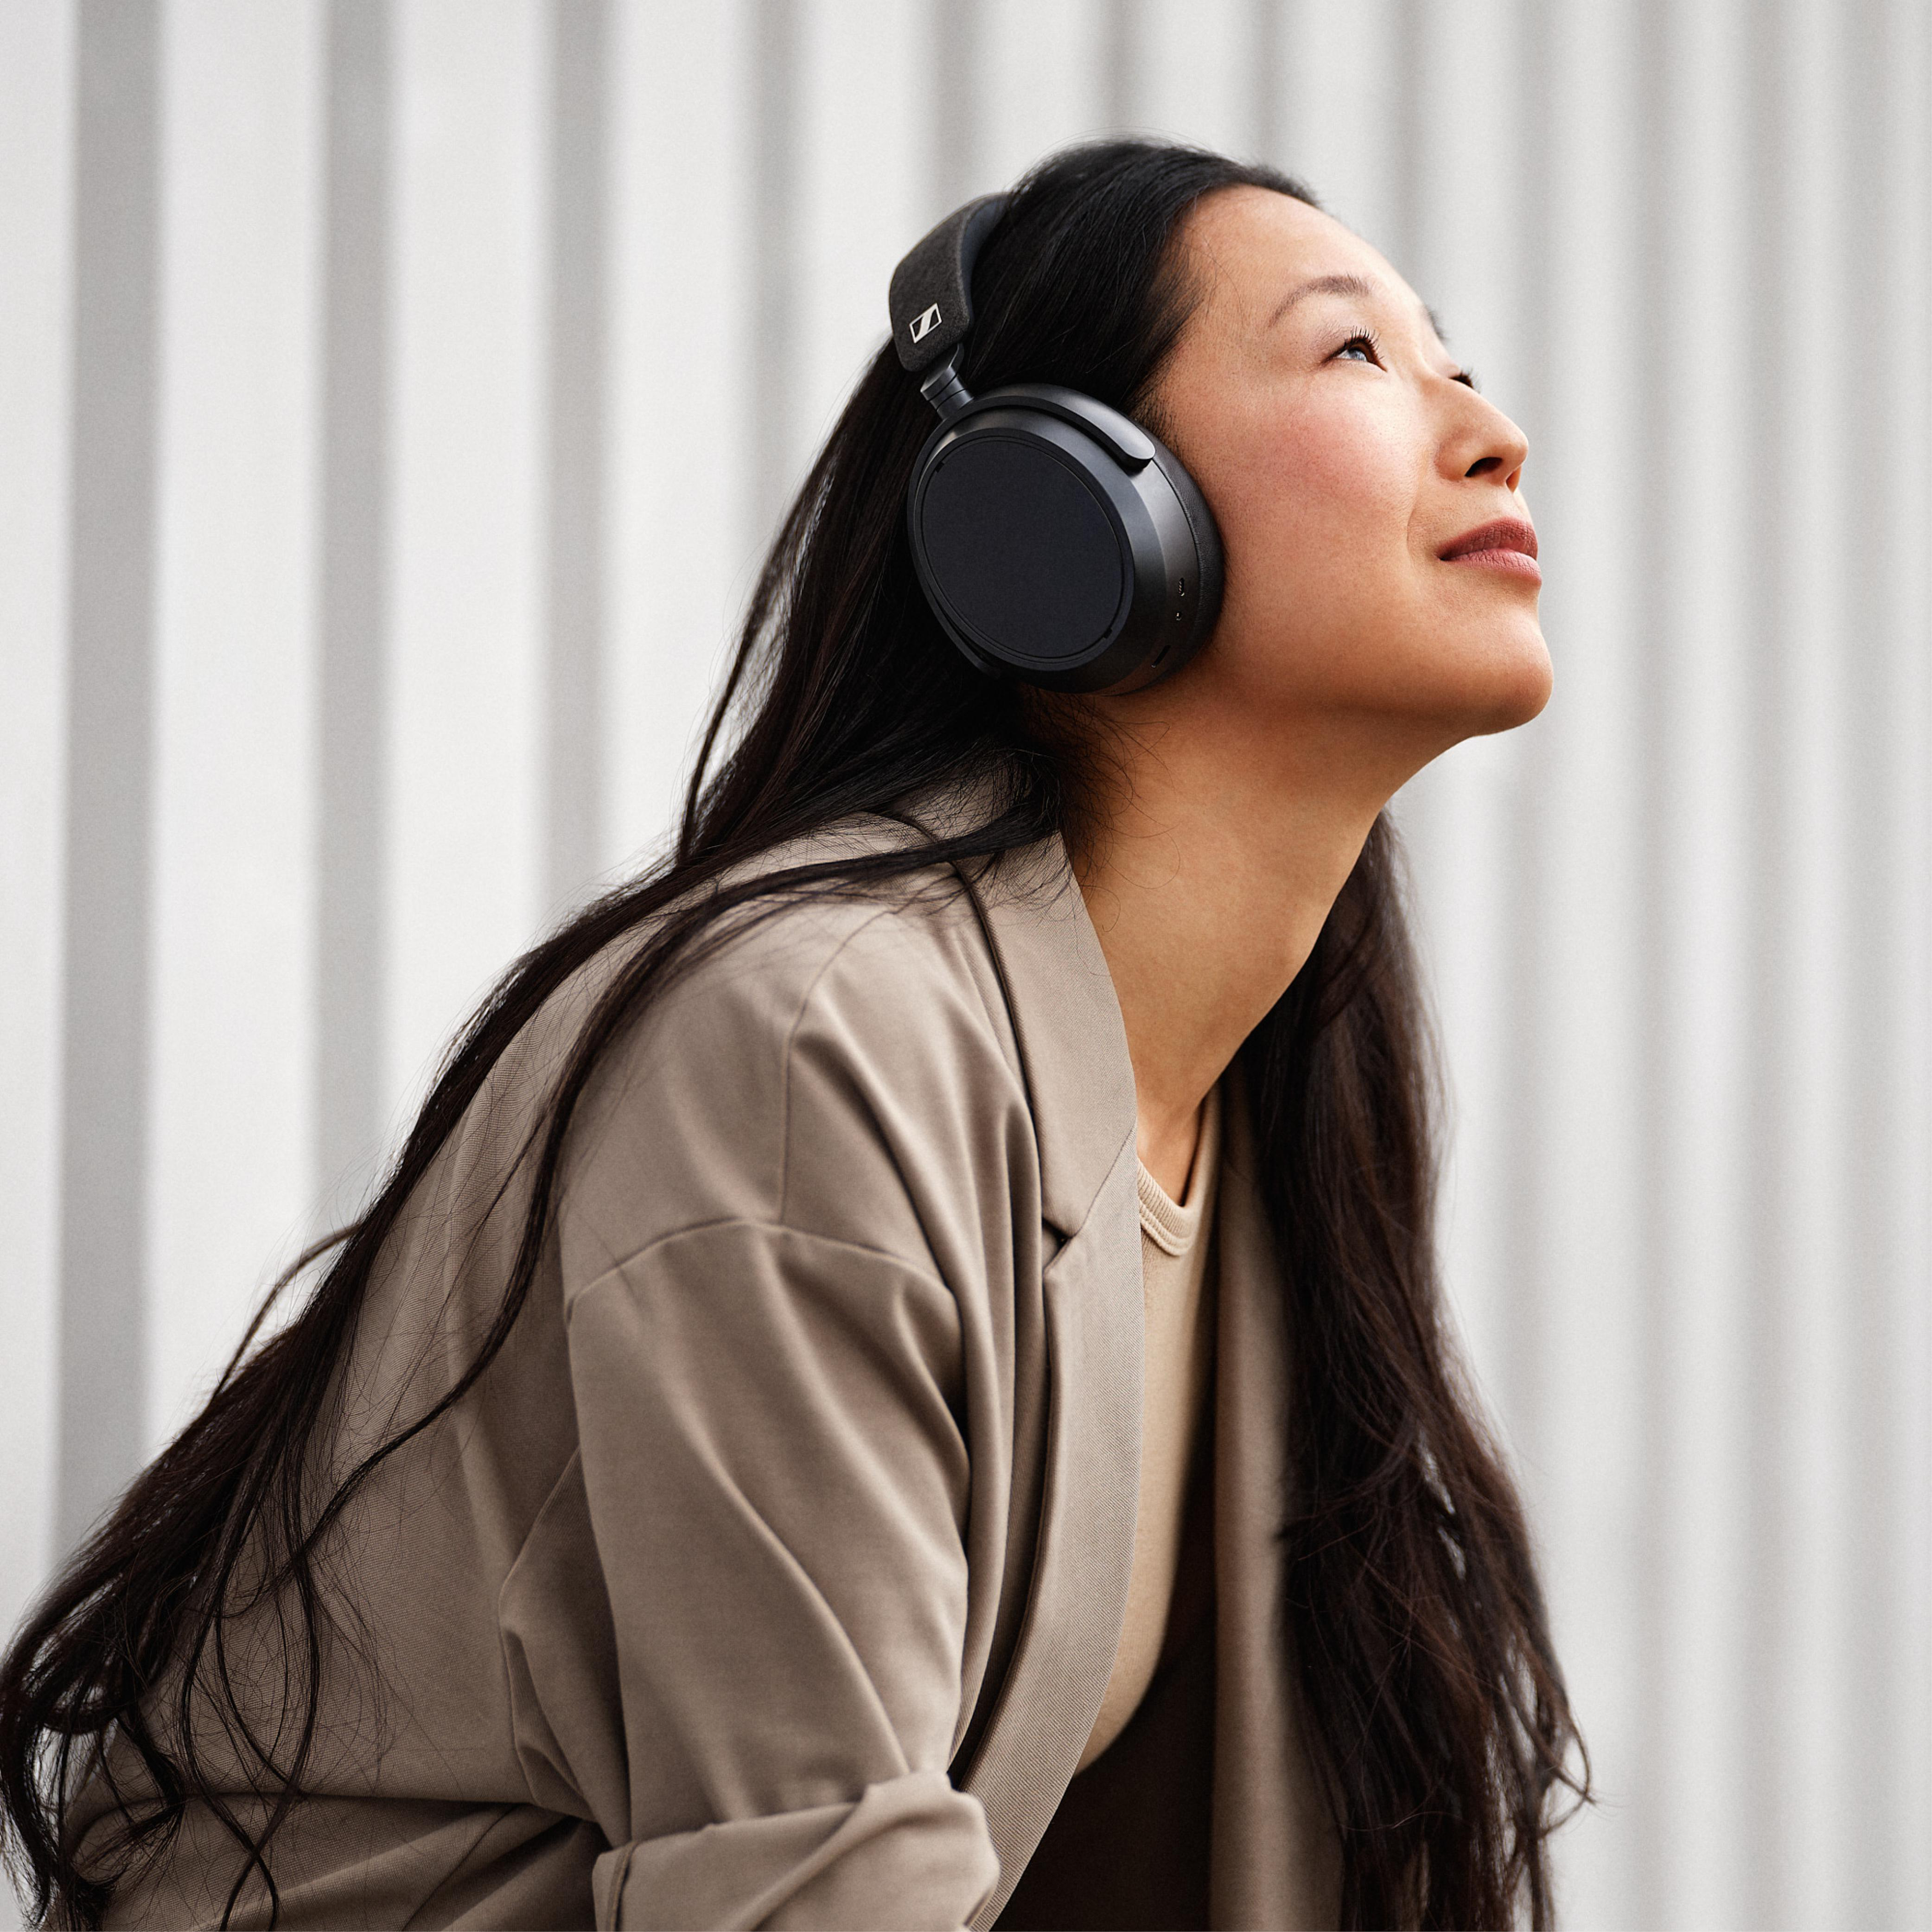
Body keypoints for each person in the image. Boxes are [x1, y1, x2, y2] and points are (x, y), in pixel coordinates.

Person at [0, 139, 1585, 1932]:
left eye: (1454, 359)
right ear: (1068, 508)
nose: (1492, 431)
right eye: (1355, 352)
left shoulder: (1255, 1113)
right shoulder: (809, 1046)